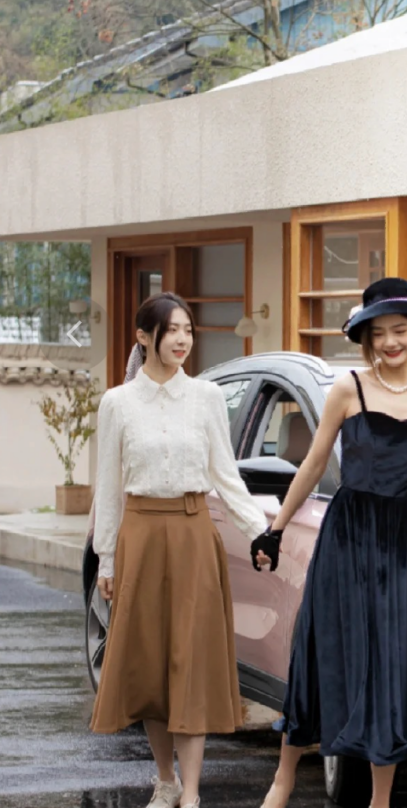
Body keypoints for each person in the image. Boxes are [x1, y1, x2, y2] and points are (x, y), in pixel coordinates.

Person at [252, 277, 407, 808]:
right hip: (349, 537)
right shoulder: (347, 388)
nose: (389, 342)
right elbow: (315, 463)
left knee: (391, 665)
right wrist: (276, 528)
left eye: (399, 330)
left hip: (405, 543)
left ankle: (380, 800)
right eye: (377, 333)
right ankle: (284, 778)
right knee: (324, 652)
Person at [91, 292, 269, 808]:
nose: (182, 339)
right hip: (141, 536)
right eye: (171, 329)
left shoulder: (206, 398)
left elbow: (225, 475)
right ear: (143, 337)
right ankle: (165, 779)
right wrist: (106, 558)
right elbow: (109, 487)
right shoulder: (117, 403)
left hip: (194, 536)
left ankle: (191, 793)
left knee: (190, 662)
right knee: (151, 666)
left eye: (188, 329)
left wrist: (259, 531)